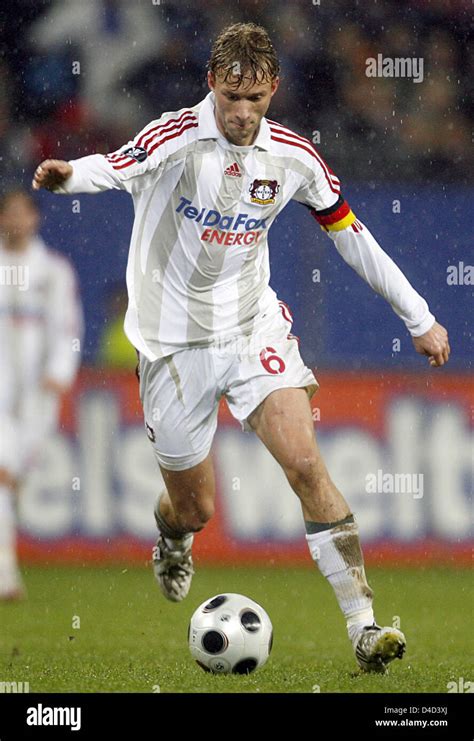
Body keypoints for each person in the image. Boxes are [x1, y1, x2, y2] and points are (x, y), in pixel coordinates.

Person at [32, 23, 450, 673]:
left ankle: (365, 628)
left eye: (256, 98)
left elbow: (351, 234)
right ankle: (173, 537)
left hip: (252, 329)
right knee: (194, 504)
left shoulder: (291, 157)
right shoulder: (174, 138)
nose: (244, 112)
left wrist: (418, 315)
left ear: (273, 91)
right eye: (233, 97)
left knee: (304, 462)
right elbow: (113, 168)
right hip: (171, 345)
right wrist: (66, 178)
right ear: (212, 85)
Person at [0, 188, 83, 600]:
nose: (15, 220)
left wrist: (58, 372)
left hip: (37, 393)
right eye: (8, 212)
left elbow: (66, 328)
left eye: (22, 212)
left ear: (35, 219)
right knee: (1, 472)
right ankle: (5, 575)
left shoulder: (51, 270)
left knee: (16, 477)